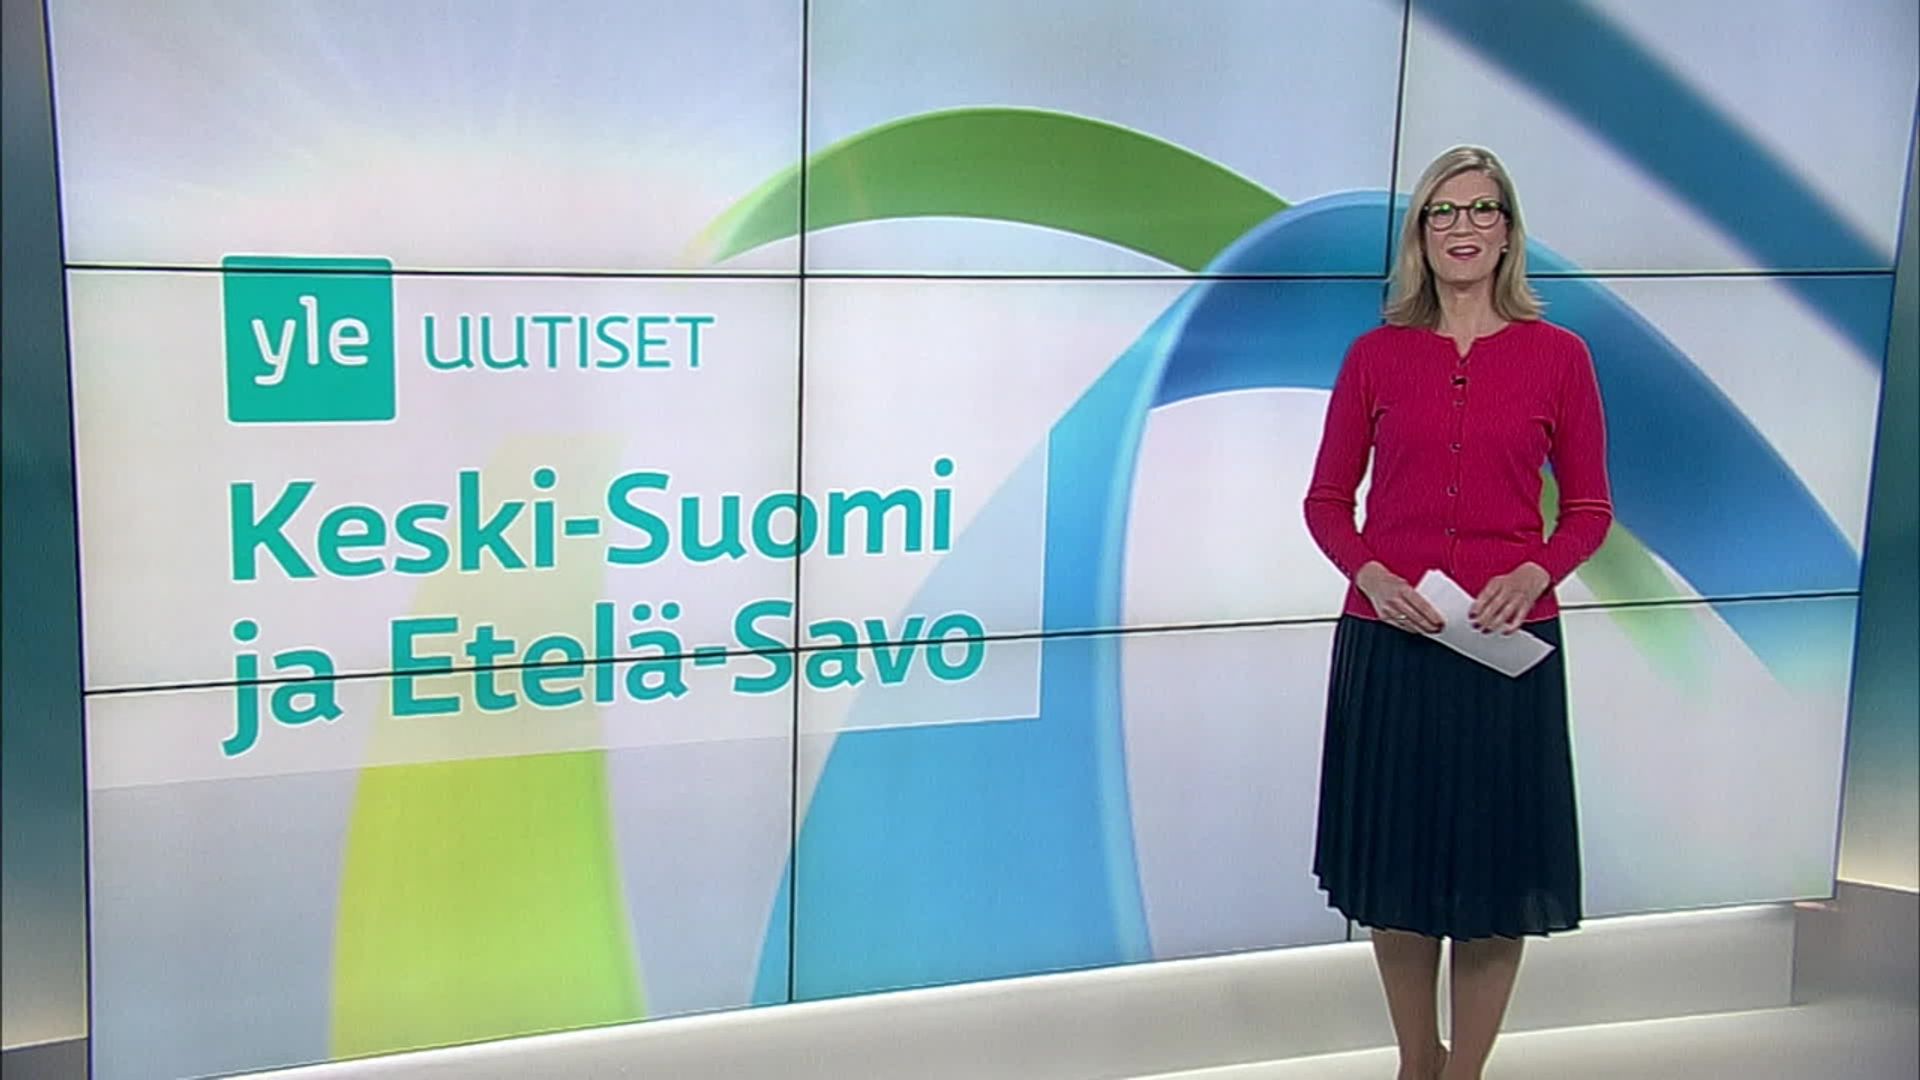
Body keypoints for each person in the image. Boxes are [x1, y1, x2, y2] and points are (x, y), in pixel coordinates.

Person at [1301, 145, 1614, 1080]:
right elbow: (1327, 503)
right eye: (1442, 212)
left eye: (1481, 210)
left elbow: (1590, 510)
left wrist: (1537, 570)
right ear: (1421, 237)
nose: (1462, 228)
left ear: (1509, 233)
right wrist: (1369, 574)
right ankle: (1416, 1061)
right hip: (1392, 643)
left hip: (1506, 648)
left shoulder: (1560, 358)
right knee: (1396, 874)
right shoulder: (1376, 356)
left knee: (1492, 877)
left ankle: (1465, 1072)